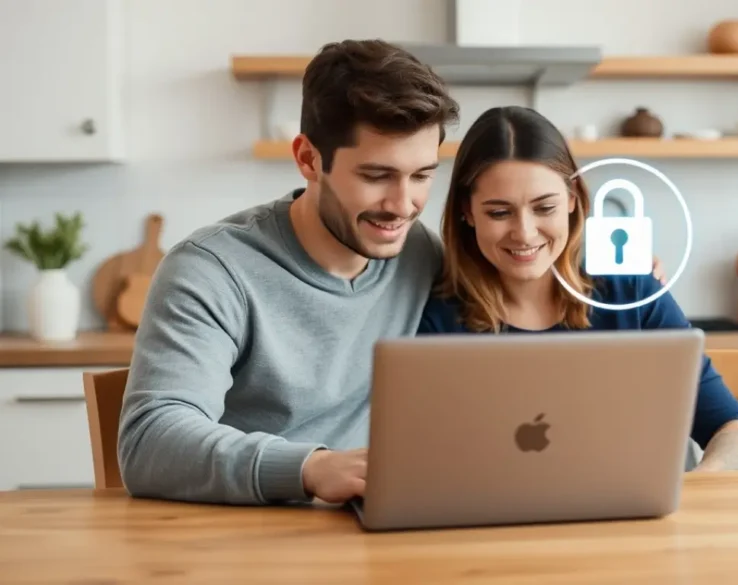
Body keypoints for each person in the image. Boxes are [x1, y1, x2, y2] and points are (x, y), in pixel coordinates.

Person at [117, 38, 669, 506]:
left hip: (382, 532)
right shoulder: (213, 270)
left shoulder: (420, 257)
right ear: (309, 159)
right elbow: (149, 440)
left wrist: (617, 265)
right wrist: (310, 467)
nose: (403, 205)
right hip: (246, 538)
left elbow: (523, 252)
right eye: (377, 175)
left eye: (423, 175)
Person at [416, 106, 738, 473]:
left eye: (544, 207)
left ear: (572, 199)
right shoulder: (438, 315)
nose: (525, 232)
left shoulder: (631, 290)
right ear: (466, 212)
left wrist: (702, 482)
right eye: (499, 213)